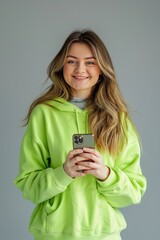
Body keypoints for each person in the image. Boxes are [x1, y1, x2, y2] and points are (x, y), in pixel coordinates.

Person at [14, 29, 147, 240]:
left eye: (90, 62)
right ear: (62, 66)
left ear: (102, 68)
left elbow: (133, 192)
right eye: (72, 61)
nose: (80, 69)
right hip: (54, 235)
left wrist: (105, 173)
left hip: (104, 235)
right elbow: (29, 187)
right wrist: (63, 172)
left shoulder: (118, 119)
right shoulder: (44, 115)